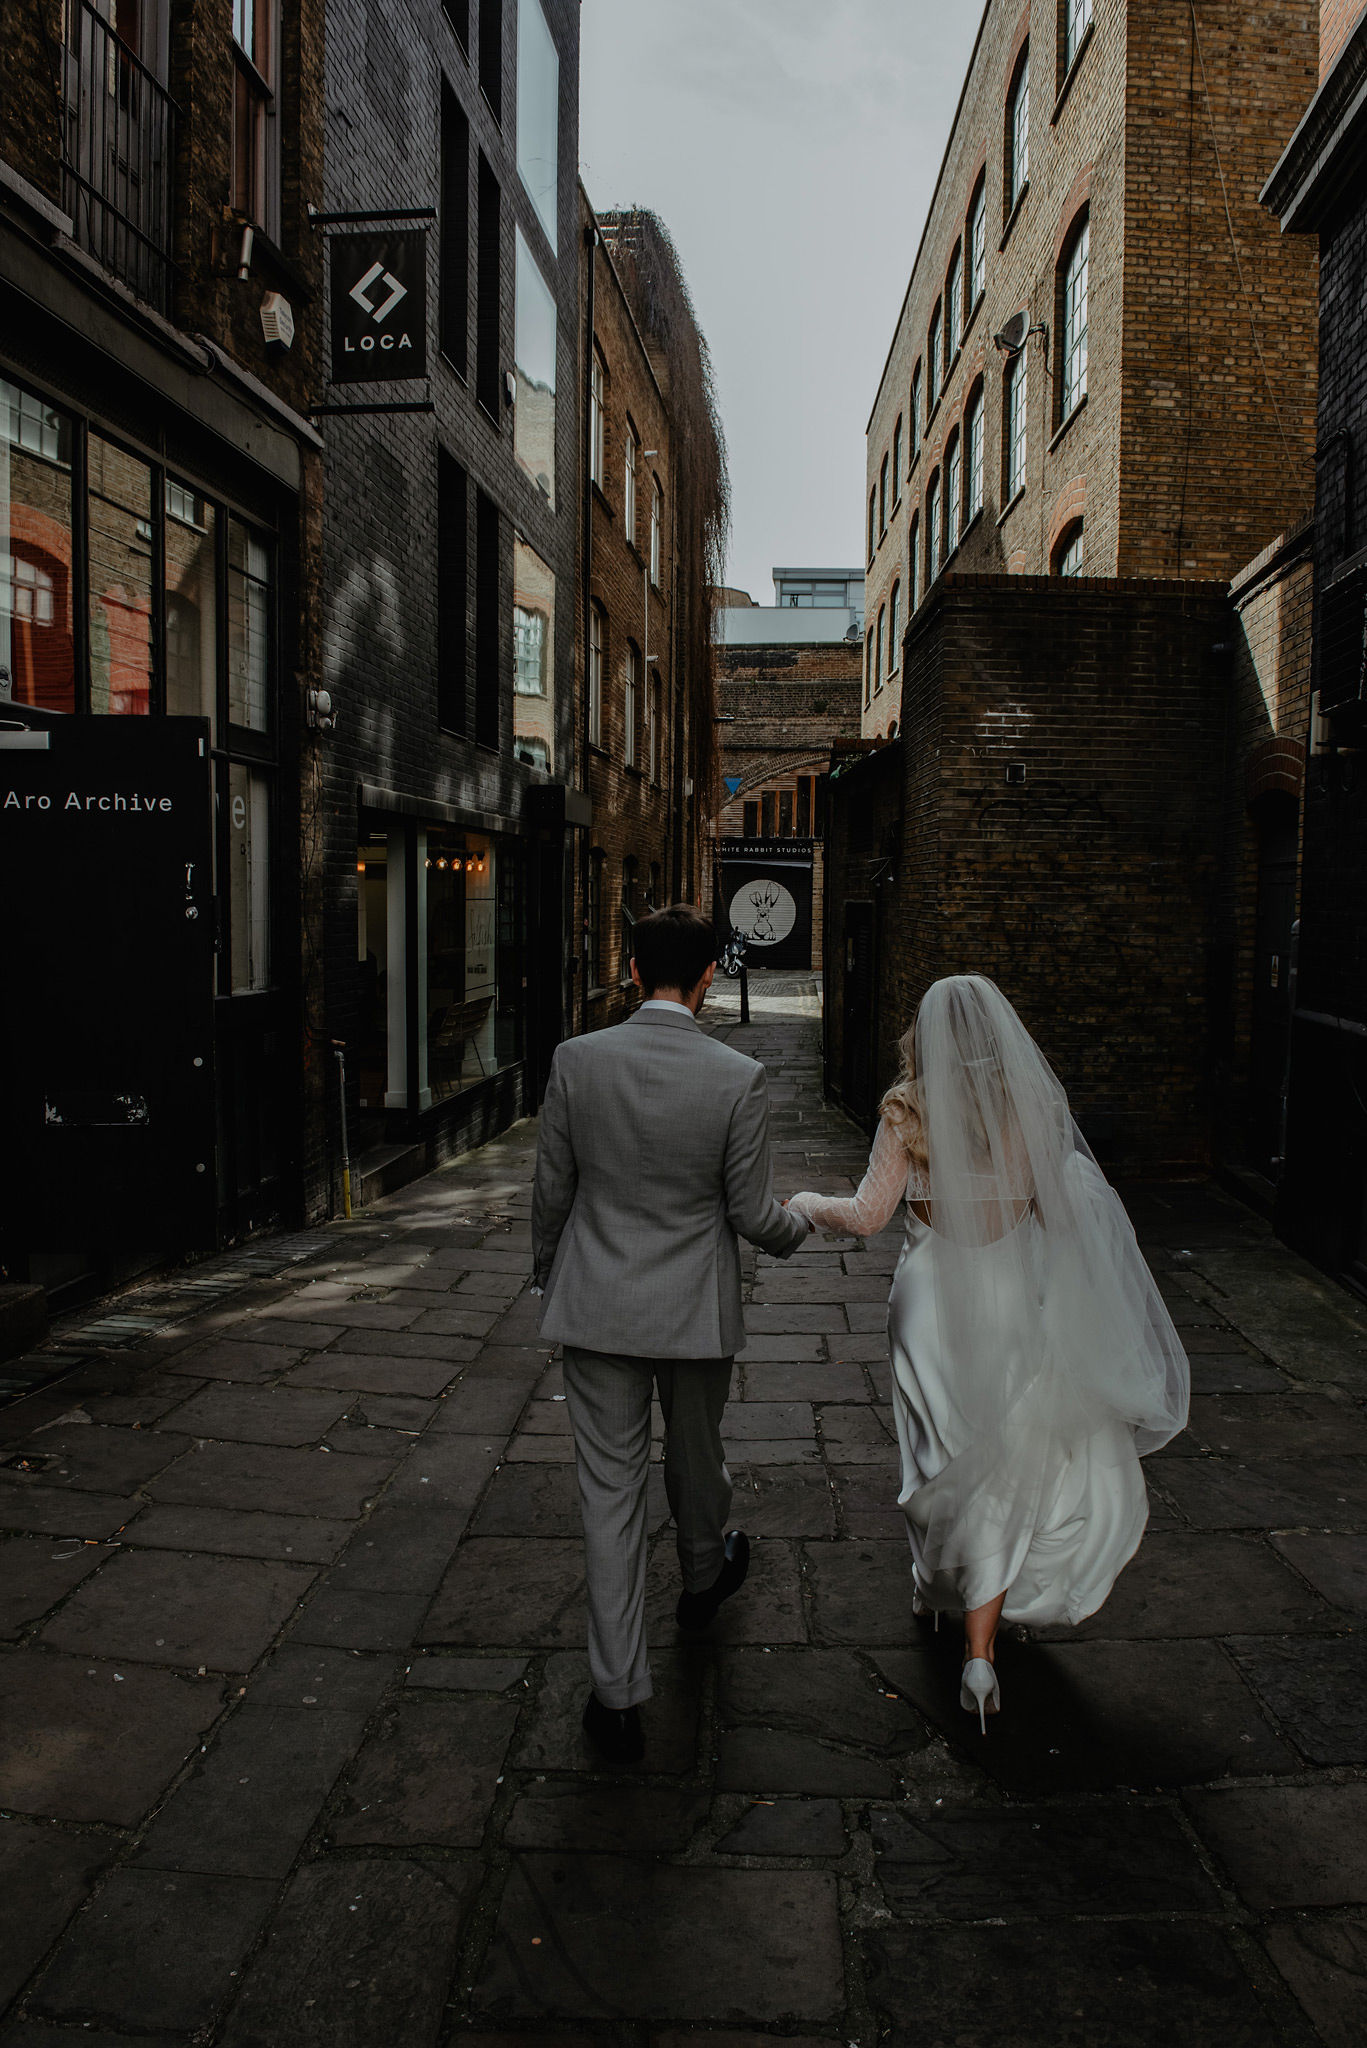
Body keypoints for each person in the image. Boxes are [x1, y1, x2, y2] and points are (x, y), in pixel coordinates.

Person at [787, 974, 1188, 1732]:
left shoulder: (907, 1108)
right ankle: (980, 1652)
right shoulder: (1029, 1111)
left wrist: (806, 1205)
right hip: (1006, 1304)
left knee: (934, 1459)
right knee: (997, 1461)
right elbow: (1065, 1218)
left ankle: (934, 1590)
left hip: (926, 1306)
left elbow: (868, 1216)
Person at [531, 903, 810, 1763]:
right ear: (705, 979)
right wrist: (798, 1225)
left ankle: (616, 1698)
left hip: (598, 1307)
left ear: (629, 969)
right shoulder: (735, 1077)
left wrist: (552, 1273)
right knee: (695, 1460)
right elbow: (750, 1212)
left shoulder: (577, 1061)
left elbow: (552, 1191)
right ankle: (700, 1576)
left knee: (607, 1498)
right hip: (693, 1311)